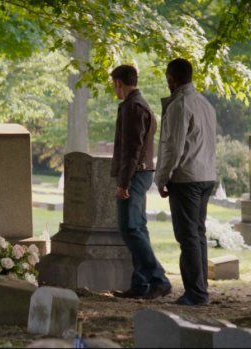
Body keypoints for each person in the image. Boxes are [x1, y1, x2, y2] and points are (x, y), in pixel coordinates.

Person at [155, 58, 217, 306]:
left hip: (187, 177)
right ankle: (201, 287)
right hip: (206, 175)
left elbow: (174, 146)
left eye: (167, 78)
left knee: (188, 236)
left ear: (172, 78)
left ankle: (196, 292)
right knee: (198, 234)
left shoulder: (180, 105)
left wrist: (162, 177)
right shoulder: (205, 103)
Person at [108, 65, 172, 300]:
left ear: (118, 83)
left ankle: (158, 279)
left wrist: (123, 182)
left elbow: (132, 149)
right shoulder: (140, 104)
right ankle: (141, 284)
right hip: (141, 172)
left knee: (130, 228)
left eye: (113, 84)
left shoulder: (133, 107)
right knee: (139, 227)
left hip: (135, 174)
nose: (113, 89)